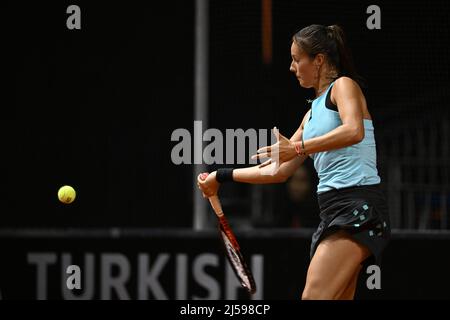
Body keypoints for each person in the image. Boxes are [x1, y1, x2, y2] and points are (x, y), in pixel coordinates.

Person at [197, 24, 390, 300]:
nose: (291, 67)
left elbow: (353, 130)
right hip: (332, 211)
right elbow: (278, 170)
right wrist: (221, 176)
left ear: (319, 60)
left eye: (297, 59)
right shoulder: (310, 115)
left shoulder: (344, 87)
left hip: (358, 208)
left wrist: (298, 147)